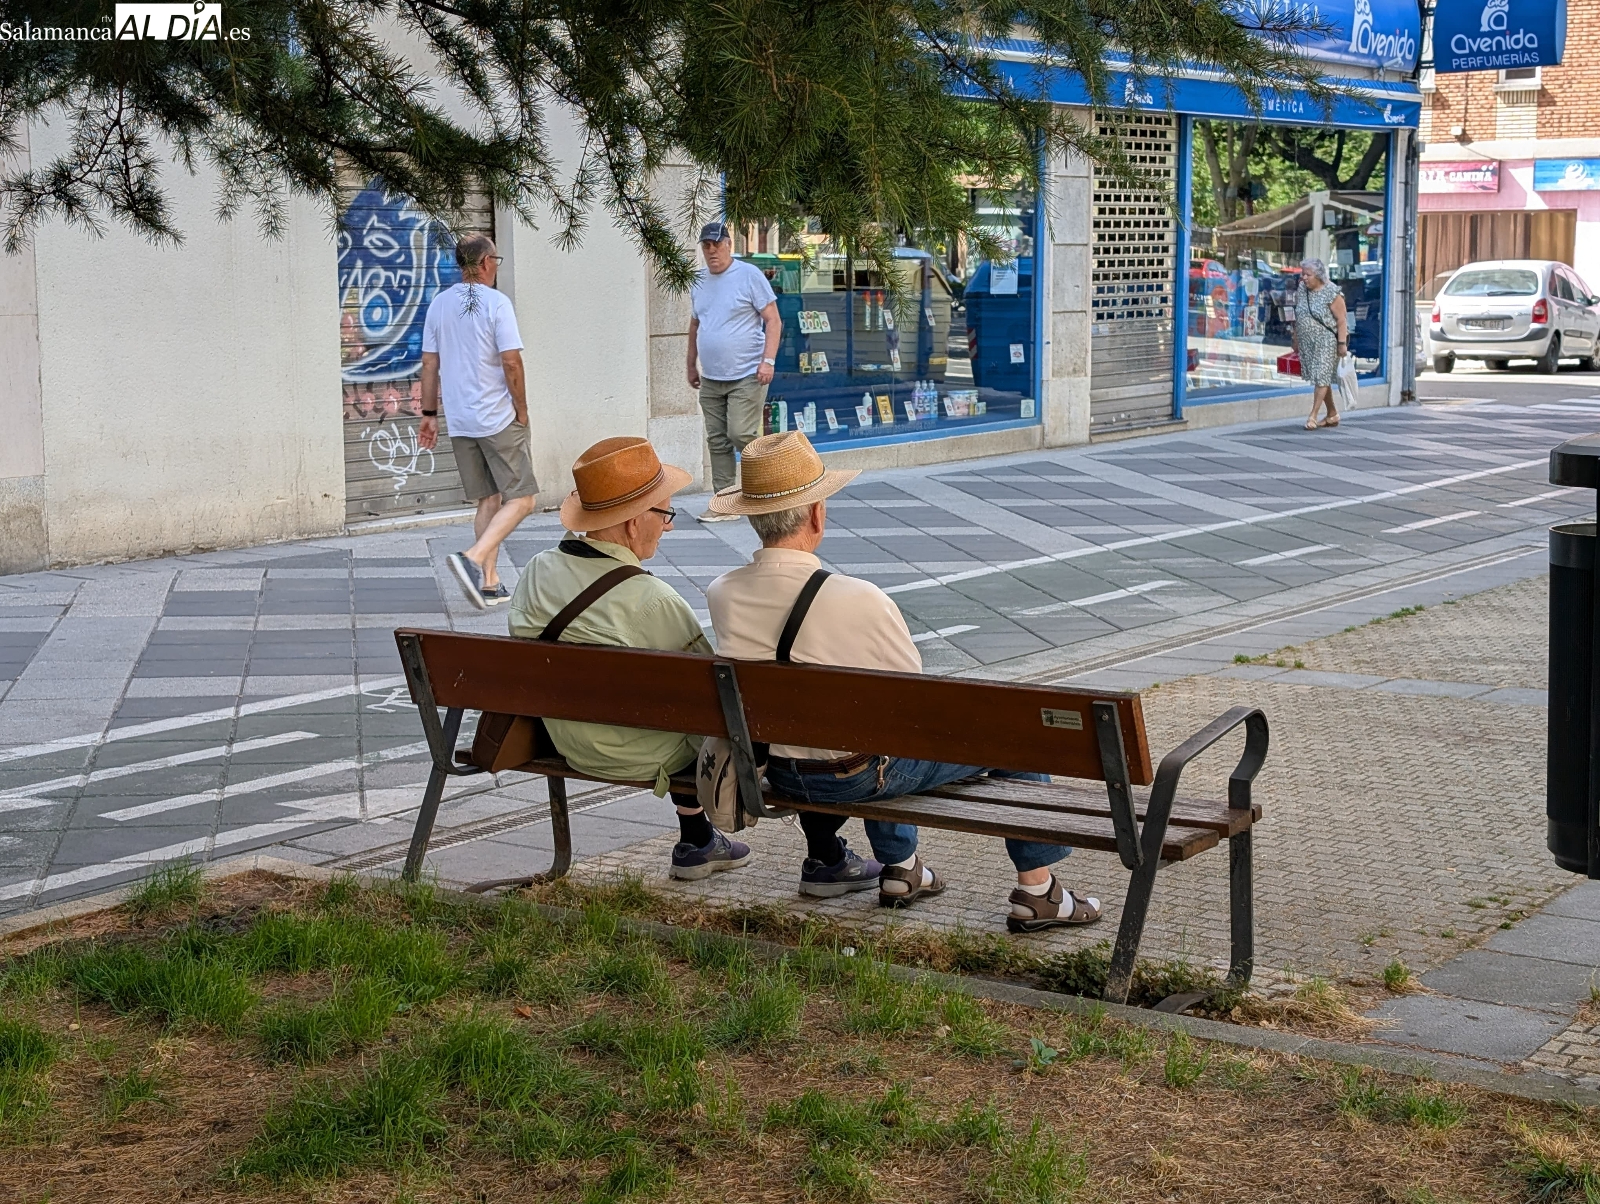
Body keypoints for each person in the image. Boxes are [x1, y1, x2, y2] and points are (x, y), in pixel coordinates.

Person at [705, 431, 1102, 930]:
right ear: (816, 515)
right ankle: (1039, 891)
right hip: (857, 774)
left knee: (875, 733)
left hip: (779, 775)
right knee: (1011, 742)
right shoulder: (858, 598)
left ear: (751, 518)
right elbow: (911, 701)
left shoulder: (722, 593)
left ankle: (903, 869)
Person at [507, 436, 751, 881]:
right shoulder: (652, 599)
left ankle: (696, 839)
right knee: (717, 719)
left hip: (567, 739)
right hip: (633, 751)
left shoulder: (538, 569)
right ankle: (815, 850)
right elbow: (715, 696)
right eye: (665, 513)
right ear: (634, 523)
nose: (670, 526)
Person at [419, 233, 538, 609]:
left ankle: (490, 582)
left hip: (461, 420)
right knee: (523, 499)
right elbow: (511, 361)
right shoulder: (497, 304)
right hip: (497, 418)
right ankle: (473, 559)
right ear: (486, 263)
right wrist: (522, 408)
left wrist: (428, 415)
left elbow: (429, 364)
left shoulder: (439, 305)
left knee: (489, 498)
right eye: (496, 261)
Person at [687, 221, 783, 519]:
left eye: (717, 244)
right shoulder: (699, 280)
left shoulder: (748, 275)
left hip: (747, 373)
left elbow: (774, 320)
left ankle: (777, 480)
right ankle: (725, 503)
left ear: (729, 244)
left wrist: (768, 361)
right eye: (707, 245)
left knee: (739, 431)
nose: (712, 250)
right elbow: (695, 325)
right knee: (716, 439)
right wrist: (691, 364)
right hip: (712, 376)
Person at [1293, 256, 1348, 431]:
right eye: (1303, 274)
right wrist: (1295, 337)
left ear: (1318, 275)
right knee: (1320, 378)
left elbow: (1341, 320)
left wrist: (1342, 344)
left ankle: (1313, 416)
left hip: (1326, 341)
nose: (1304, 277)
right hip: (1308, 342)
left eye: (1307, 274)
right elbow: (1299, 313)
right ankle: (1332, 413)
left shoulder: (1332, 292)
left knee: (1322, 377)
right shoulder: (1302, 289)